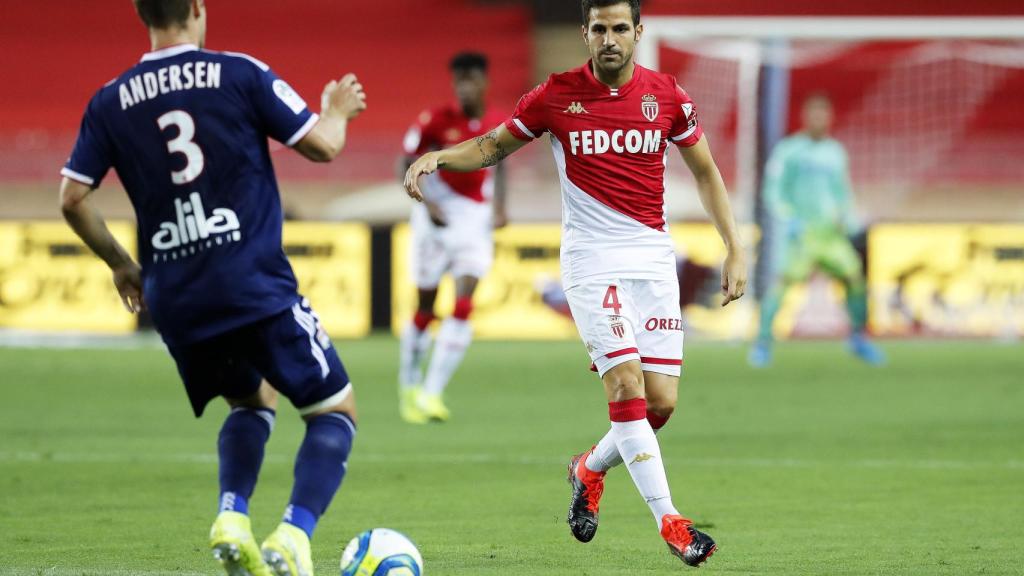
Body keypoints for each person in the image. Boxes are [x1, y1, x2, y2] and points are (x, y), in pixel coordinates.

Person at [404, 0, 746, 567]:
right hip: (592, 262)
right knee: (627, 387)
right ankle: (673, 524)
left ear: (637, 32)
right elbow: (491, 146)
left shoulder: (668, 96)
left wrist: (734, 246)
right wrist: (440, 156)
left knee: (659, 405)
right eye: (598, 29)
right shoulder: (555, 95)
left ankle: (589, 468)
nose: (609, 39)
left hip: (653, 262)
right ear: (585, 34)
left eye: (619, 28)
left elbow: (706, 170)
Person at [59, 1, 366, 574]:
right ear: (199, 7)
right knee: (334, 411)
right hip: (252, 284)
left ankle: (232, 514)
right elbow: (322, 146)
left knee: (253, 399)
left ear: (139, 12)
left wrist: (123, 265)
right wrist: (338, 110)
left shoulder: (110, 99)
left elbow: (72, 199)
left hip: (175, 298)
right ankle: (293, 539)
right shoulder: (239, 72)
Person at [397, 52, 508, 424]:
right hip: (436, 217)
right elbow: (405, 162)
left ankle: (432, 393)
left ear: (484, 82)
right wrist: (427, 206)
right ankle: (409, 383)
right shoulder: (434, 121)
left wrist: (500, 207)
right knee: (426, 307)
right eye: (458, 79)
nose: (463, 86)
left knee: (463, 304)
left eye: (470, 79)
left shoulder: (496, 122)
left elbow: (501, 161)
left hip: (474, 219)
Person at [749, 93, 885, 367]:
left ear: (830, 118)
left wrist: (850, 219)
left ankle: (858, 338)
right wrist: (790, 218)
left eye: (824, 115)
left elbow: (841, 193)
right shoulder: (789, 150)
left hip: (830, 234)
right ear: (806, 117)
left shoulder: (835, 152)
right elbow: (772, 191)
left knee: (854, 279)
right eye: (814, 115)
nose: (819, 120)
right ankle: (763, 343)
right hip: (802, 233)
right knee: (782, 284)